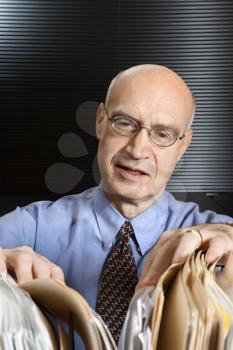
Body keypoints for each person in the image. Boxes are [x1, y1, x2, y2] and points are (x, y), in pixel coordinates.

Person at [0, 64, 233, 347]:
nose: (137, 150)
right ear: (100, 121)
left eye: (162, 134)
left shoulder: (214, 235)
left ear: (183, 146)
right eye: (124, 123)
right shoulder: (33, 226)